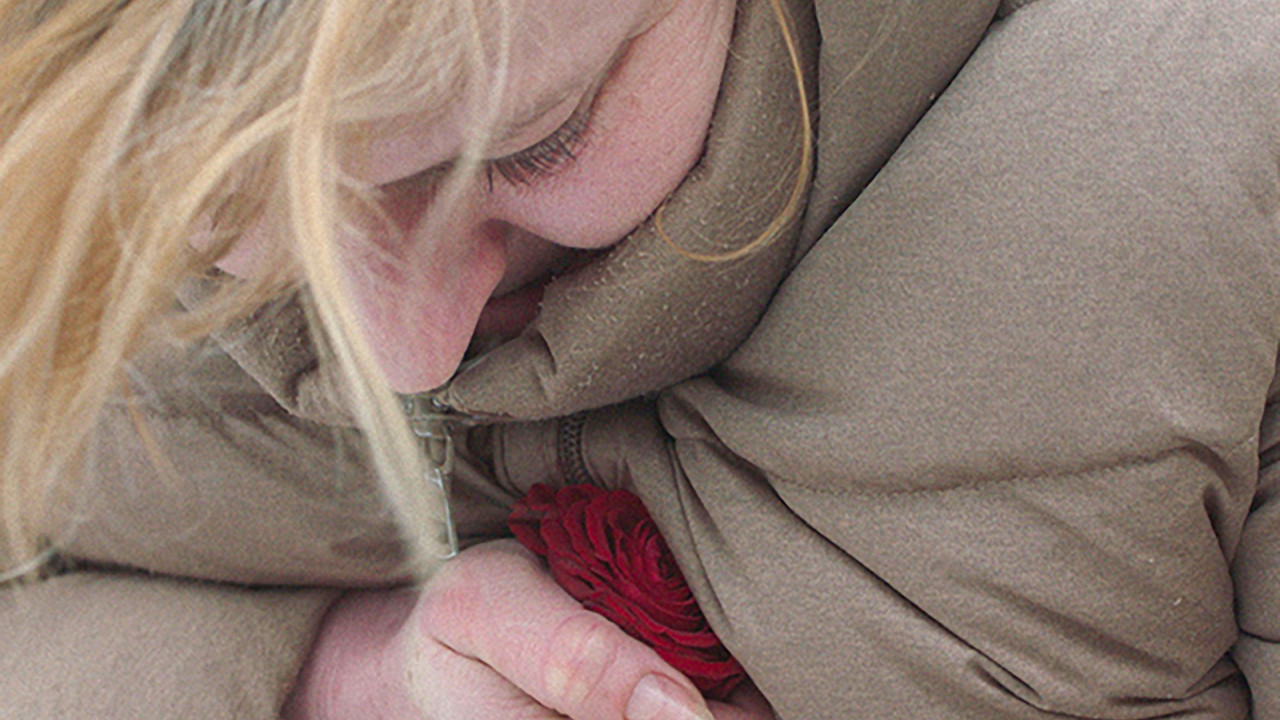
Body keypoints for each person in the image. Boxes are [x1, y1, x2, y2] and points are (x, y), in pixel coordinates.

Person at [2, 0, 1278, 718]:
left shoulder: (1225, 169)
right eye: (222, 207)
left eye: (533, 142)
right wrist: (339, 680)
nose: (407, 352)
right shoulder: (46, 202)